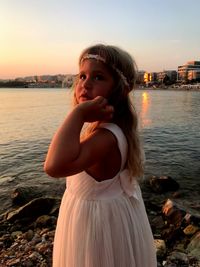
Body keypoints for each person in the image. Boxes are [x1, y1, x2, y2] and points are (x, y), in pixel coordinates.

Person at [44, 44, 157, 267]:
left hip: (95, 230)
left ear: (119, 90)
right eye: (82, 76)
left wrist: (77, 113)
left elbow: (53, 166)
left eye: (98, 77)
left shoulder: (105, 138)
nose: (85, 84)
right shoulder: (113, 129)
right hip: (110, 220)